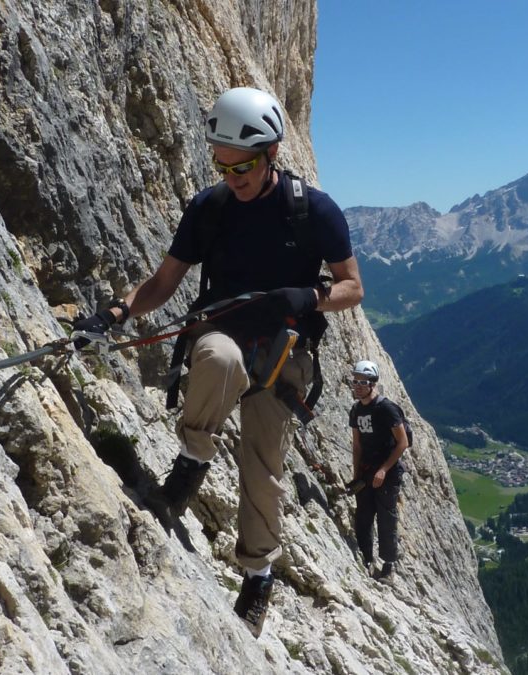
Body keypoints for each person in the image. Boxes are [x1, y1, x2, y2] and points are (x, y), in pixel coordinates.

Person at [74, 87, 363, 636]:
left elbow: (353, 286)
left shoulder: (313, 211)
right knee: (218, 357)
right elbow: (164, 282)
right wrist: (115, 312)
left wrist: (311, 298)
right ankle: (191, 462)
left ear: (272, 153)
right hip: (226, 337)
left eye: (244, 166)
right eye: (222, 165)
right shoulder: (211, 209)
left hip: (283, 354)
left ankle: (257, 578)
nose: (232, 176)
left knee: (264, 471)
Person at [347, 360, 408, 583]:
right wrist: (356, 476)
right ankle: (366, 558)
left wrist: (383, 470)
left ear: (373, 384)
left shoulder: (386, 409)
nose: (357, 386)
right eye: (355, 381)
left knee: (386, 518)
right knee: (363, 515)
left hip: (388, 473)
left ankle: (389, 568)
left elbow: (402, 443)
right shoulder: (356, 410)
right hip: (366, 471)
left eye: (362, 382)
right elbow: (357, 446)